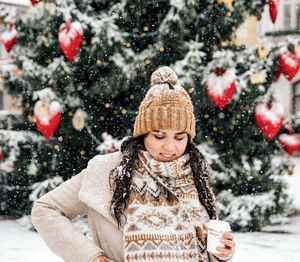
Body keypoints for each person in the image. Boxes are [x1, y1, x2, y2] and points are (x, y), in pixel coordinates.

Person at [31, 67, 235, 262]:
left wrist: (222, 253)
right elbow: (45, 209)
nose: (170, 147)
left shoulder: (194, 174)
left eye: (180, 138)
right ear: (143, 133)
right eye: (159, 136)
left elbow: (205, 250)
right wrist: (89, 256)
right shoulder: (108, 170)